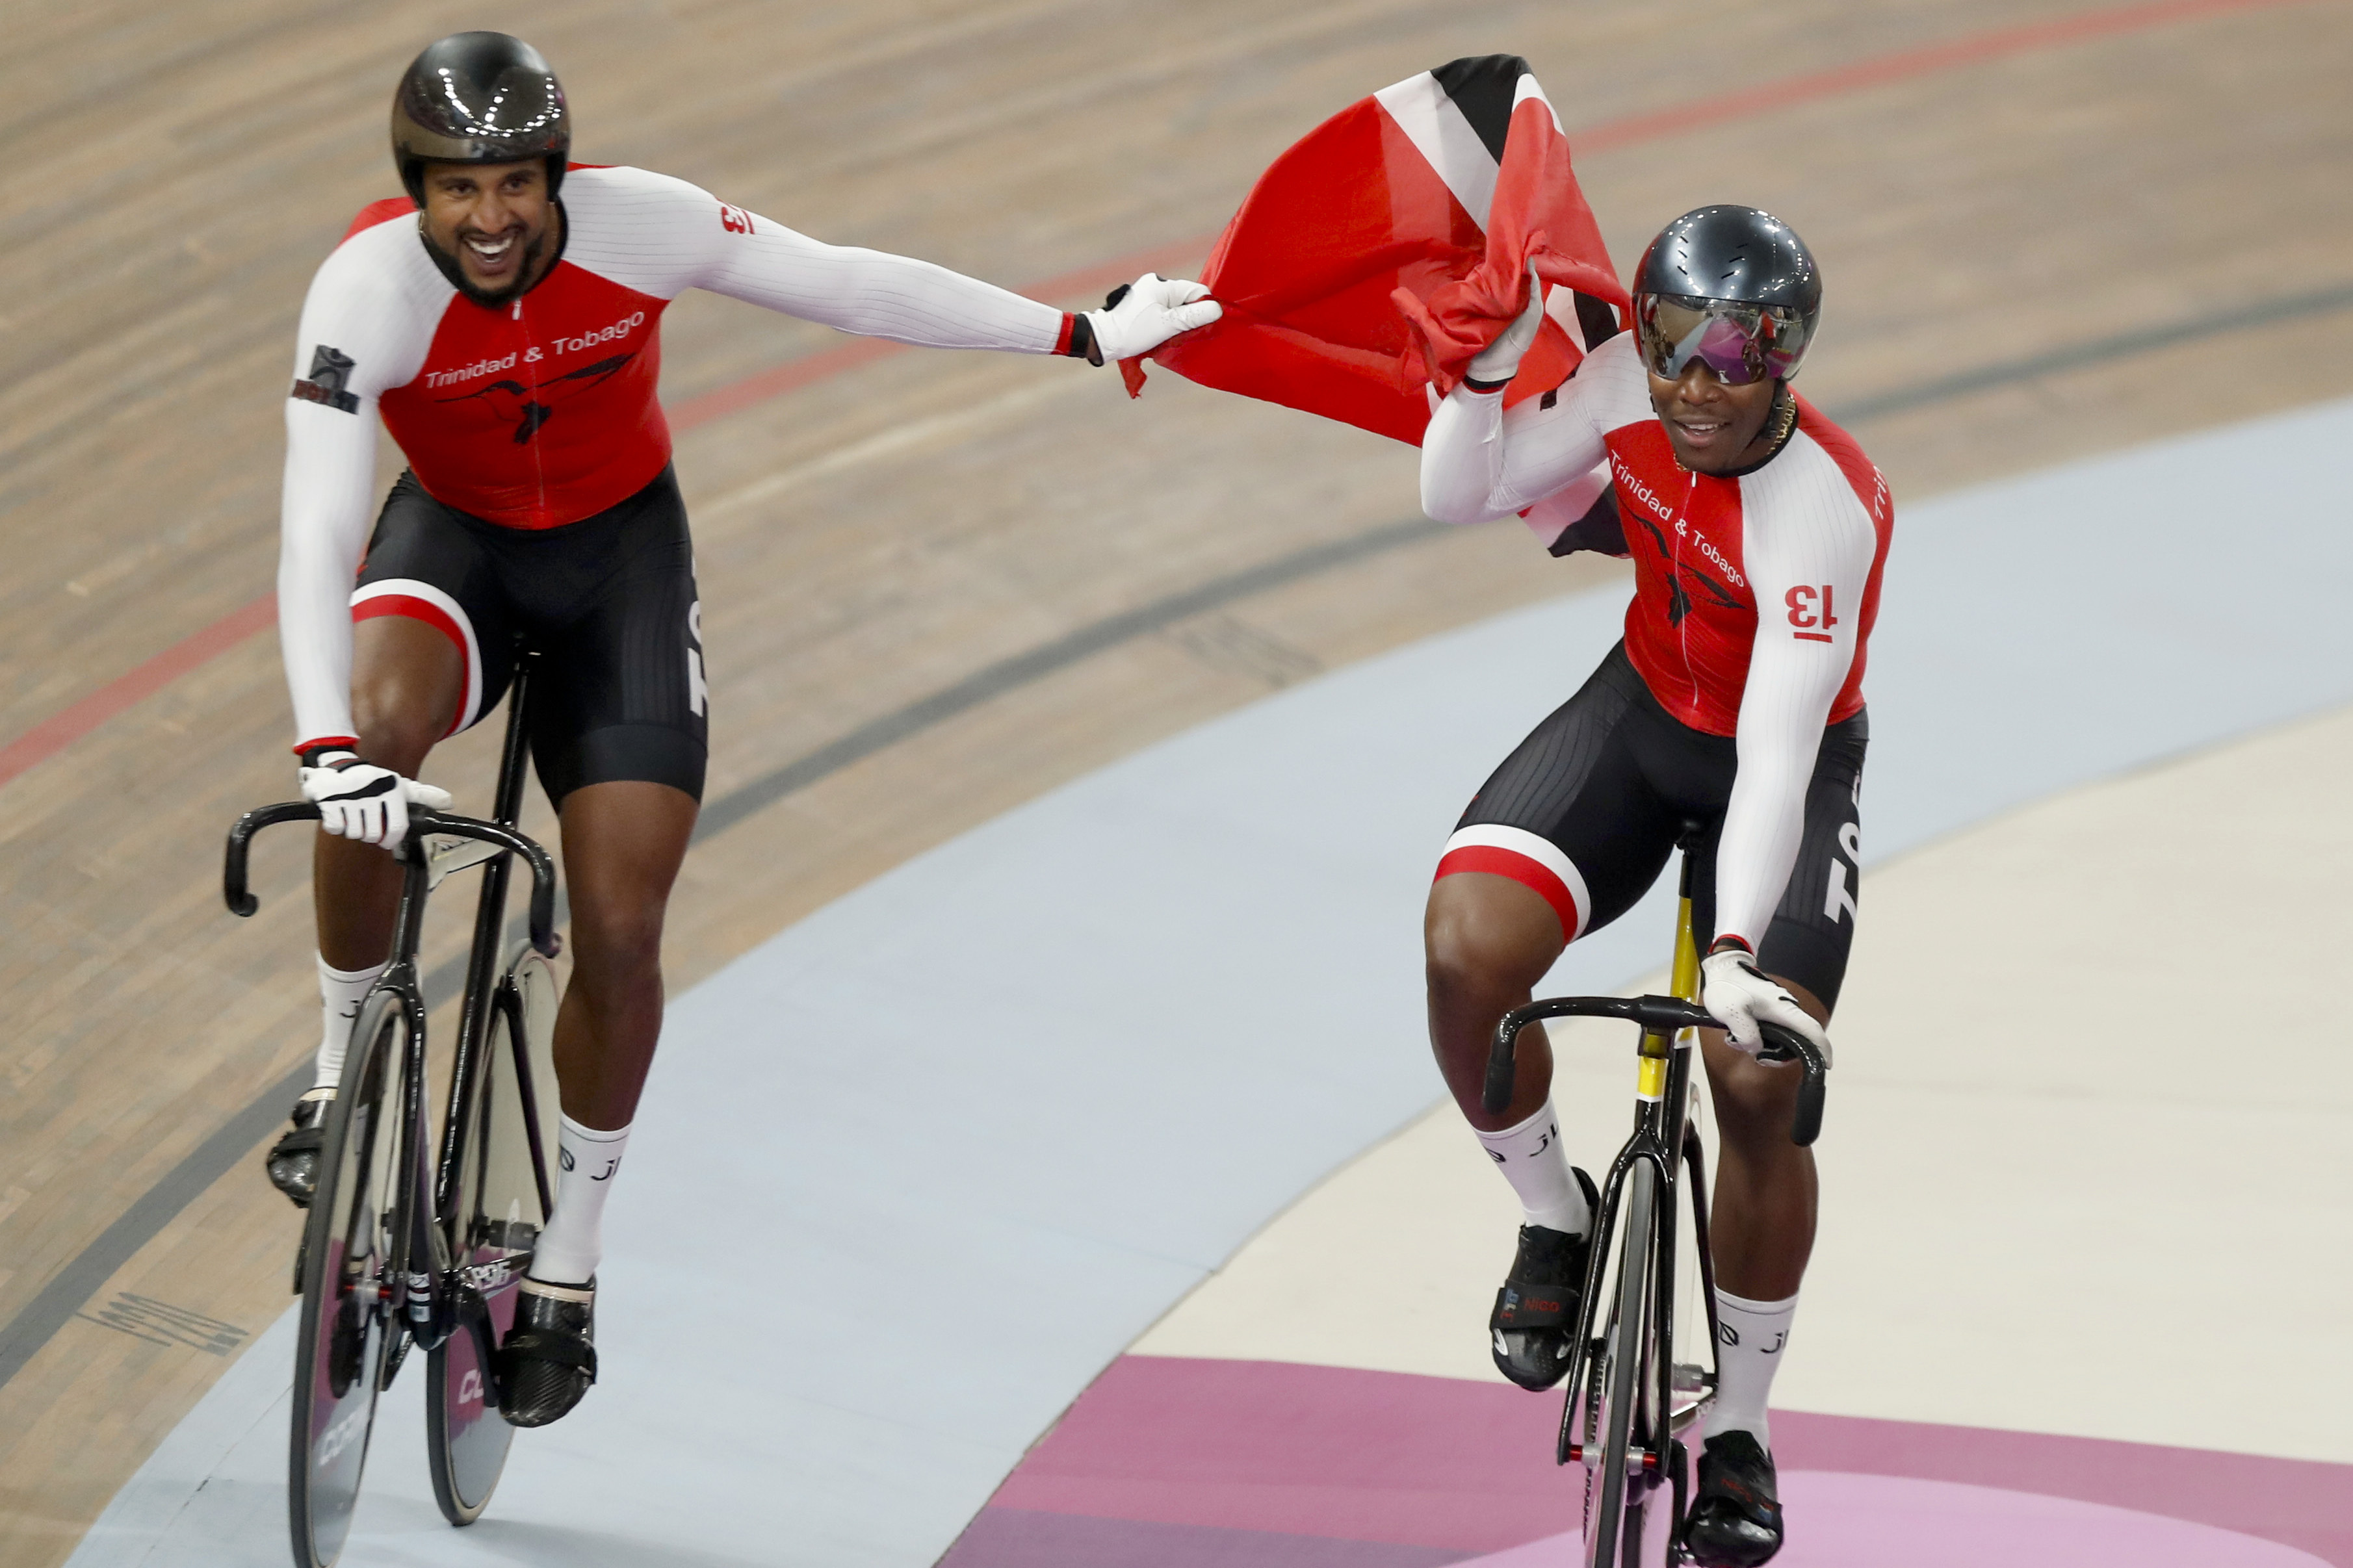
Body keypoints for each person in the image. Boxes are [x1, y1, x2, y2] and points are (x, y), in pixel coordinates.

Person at [264, 30, 1219, 1429]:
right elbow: (318, 525)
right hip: (456, 544)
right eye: (461, 190)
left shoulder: (640, 219)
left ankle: (573, 1269)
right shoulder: (366, 287)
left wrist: (1078, 332)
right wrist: (321, 751)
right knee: (376, 725)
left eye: (518, 184)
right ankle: (343, 1067)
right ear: (416, 187)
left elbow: (845, 284)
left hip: (619, 570)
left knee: (623, 925)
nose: (492, 217)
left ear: (556, 172)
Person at [1417, 205, 1890, 1566]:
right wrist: (1479, 373)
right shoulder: (1623, 381)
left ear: (1784, 361)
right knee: (1464, 949)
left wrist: (1734, 953)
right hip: (1642, 716)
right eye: (1674, 346)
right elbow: (1464, 491)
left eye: (1736, 358)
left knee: (1754, 1080)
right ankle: (1553, 1224)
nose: (1696, 382)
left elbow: (1779, 752)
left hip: (1783, 767)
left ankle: (1738, 1427)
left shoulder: (1824, 514)